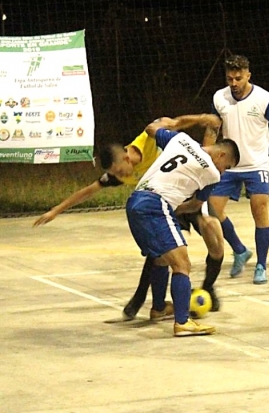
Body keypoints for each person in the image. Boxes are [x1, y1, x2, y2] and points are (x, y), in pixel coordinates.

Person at [33, 114, 226, 320]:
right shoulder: (120, 173)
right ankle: (148, 301)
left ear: (126, 157)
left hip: (189, 194)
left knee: (215, 235)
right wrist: (56, 210)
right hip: (163, 203)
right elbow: (89, 190)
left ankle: (208, 287)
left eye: (119, 171)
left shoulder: (148, 139)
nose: (120, 176)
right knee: (159, 251)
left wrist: (201, 119)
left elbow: (174, 123)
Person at [126, 118, 239, 336]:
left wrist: (170, 123)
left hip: (135, 201)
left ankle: (159, 309)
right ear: (222, 156)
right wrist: (175, 208)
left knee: (161, 257)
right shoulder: (212, 173)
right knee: (182, 265)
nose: (223, 172)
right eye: (227, 167)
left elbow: (151, 129)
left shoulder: (181, 139)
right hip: (156, 205)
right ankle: (182, 322)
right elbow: (196, 204)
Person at [204, 55, 269, 285]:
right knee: (212, 210)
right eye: (230, 78)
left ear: (248, 75)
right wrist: (205, 160)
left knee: (259, 209)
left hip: (256, 164)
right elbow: (211, 132)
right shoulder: (220, 98)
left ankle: (261, 265)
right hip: (228, 165)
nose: (234, 83)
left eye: (238, 78)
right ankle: (239, 249)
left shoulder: (265, 99)